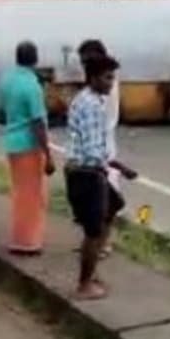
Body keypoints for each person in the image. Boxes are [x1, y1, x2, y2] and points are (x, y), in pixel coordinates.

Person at [64, 53, 128, 301]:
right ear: (92, 78)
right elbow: (92, 152)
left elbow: (95, 146)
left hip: (92, 170)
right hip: (87, 173)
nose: (111, 83)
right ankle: (84, 283)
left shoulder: (92, 100)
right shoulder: (90, 106)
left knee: (114, 206)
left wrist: (118, 165)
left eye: (113, 77)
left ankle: (91, 273)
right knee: (94, 229)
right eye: (107, 78)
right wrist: (105, 168)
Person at [76, 39, 135, 259]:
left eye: (85, 61)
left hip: (101, 146)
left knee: (106, 201)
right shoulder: (96, 88)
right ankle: (95, 242)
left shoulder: (103, 86)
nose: (83, 65)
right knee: (96, 201)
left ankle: (102, 243)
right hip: (95, 148)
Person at [0, 41, 53, 255]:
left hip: (11, 141)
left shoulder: (7, 79)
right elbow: (38, 122)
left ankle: (19, 237)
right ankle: (28, 241)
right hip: (29, 144)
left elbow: (1, 112)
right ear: (36, 59)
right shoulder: (32, 86)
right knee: (33, 195)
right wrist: (48, 154)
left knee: (20, 192)